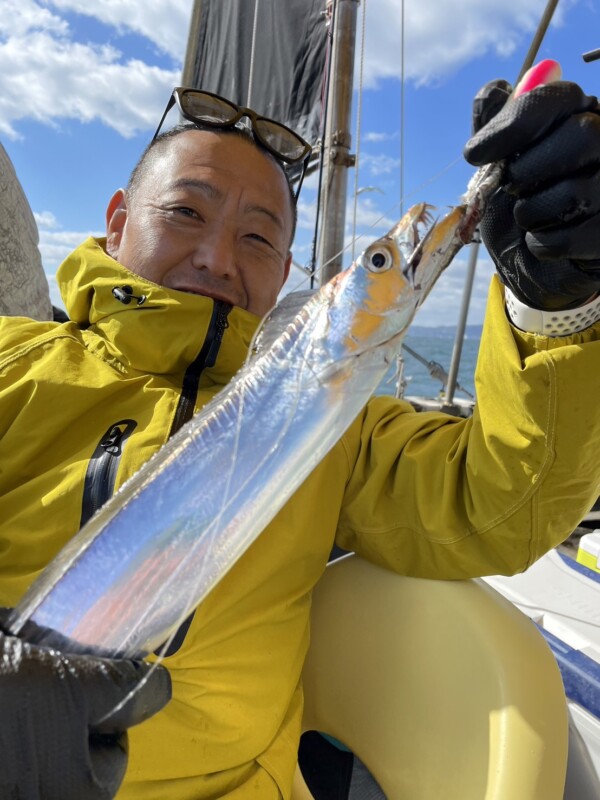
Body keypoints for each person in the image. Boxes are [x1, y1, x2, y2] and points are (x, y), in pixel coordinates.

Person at [0, 75, 599, 800]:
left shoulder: (340, 427)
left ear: (287, 273)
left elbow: (504, 505)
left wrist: (558, 306)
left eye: (258, 236)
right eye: (186, 211)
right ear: (119, 221)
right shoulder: (13, 363)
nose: (219, 259)